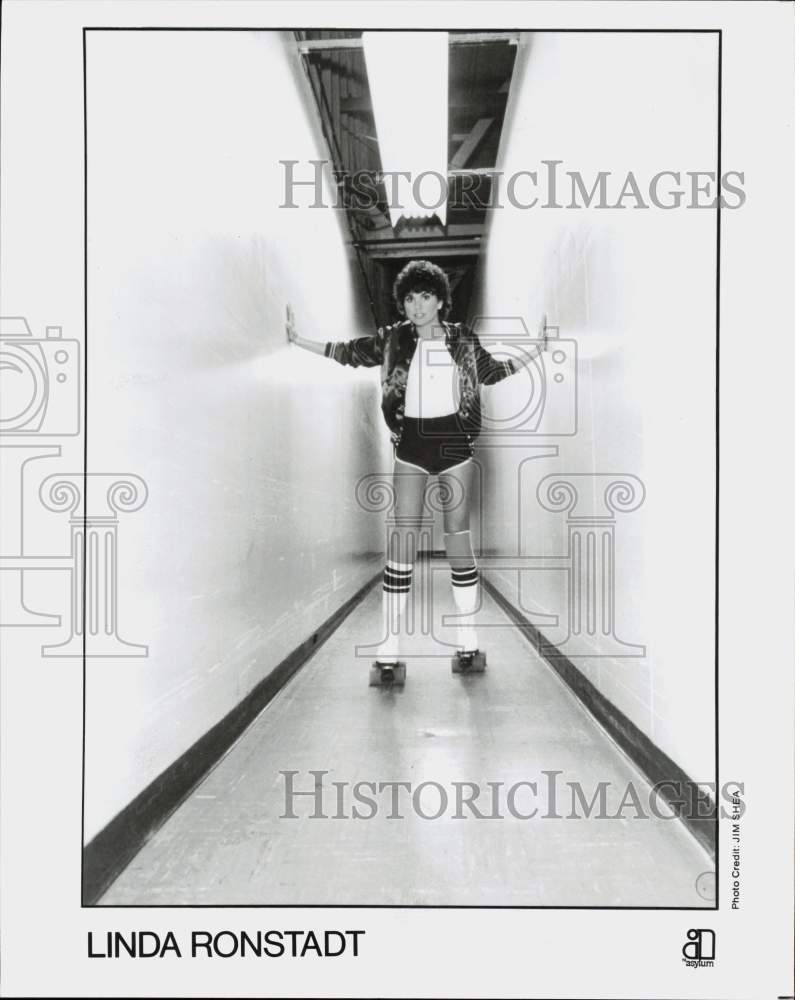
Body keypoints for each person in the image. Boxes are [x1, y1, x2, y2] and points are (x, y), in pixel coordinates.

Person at [287, 259, 534, 676]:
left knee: (457, 538)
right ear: (402, 304)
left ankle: (467, 641)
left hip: (456, 441)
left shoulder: (463, 339)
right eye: (409, 299)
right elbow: (349, 353)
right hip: (412, 444)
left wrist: (539, 349)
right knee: (402, 538)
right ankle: (389, 647)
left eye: (424, 297)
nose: (416, 306)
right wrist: (298, 341)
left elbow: (492, 372)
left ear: (439, 299)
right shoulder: (392, 340)